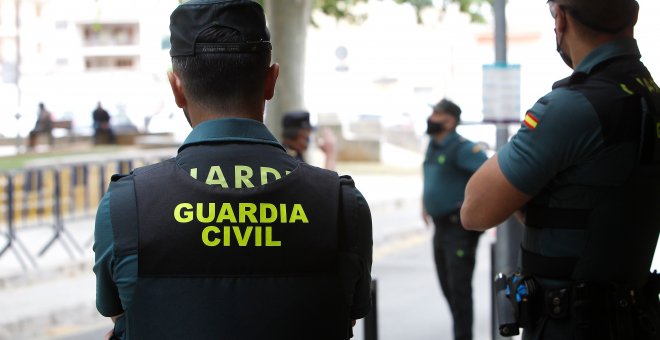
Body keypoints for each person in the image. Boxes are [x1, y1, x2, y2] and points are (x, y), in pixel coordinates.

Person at [92, 1, 373, 339]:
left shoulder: (127, 206)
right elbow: (349, 314)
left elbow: (120, 314)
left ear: (176, 88)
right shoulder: (342, 205)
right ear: (271, 81)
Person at [461, 0, 660, 339]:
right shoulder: (650, 100)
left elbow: (475, 211)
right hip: (637, 318)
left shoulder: (572, 108)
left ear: (562, 20)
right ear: (634, 15)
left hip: (570, 324)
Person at [421, 98, 487, 340]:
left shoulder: (463, 148)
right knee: (447, 286)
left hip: (457, 229)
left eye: (436, 114)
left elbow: (488, 174)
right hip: (440, 227)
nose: (431, 119)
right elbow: (429, 177)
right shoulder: (433, 146)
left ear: (449, 122)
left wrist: (471, 205)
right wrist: (425, 204)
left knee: (459, 290)